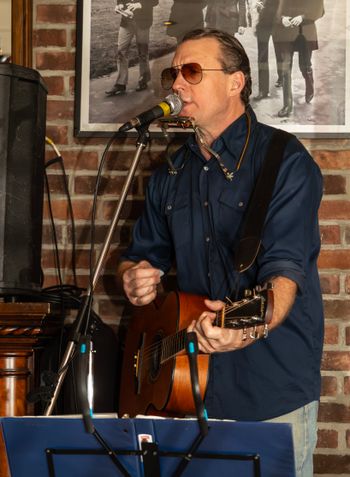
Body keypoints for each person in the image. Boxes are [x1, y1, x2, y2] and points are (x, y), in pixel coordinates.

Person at [117, 28, 324, 477]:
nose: (176, 83)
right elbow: (140, 256)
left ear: (236, 82)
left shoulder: (284, 162)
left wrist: (247, 330)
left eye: (191, 71)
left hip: (268, 392)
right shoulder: (171, 169)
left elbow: (285, 271)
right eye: (174, 73)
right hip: (183, 395)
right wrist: (133, 276)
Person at [273, 0, 325, 117]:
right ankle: (287, 105)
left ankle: (310, 86)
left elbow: (319, 10)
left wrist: (303, 17)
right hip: (284, 31)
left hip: (306, 31)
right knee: (286, 69)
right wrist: (281, 19)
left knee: (304, 65)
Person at [105, 0, 158, 96]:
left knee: (143, 53)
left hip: (143, 22)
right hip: (126, 22)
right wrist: (119, 5)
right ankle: (120, 84)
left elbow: (155, 1)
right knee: (121, 51)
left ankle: (143, 80)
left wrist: (139, 4)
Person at [254, 0, 283, 100]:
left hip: (279, 22)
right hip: (264, 22)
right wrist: (259, 4)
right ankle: (263, 90)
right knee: (262, 56)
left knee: (280, 52)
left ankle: (282, 77)